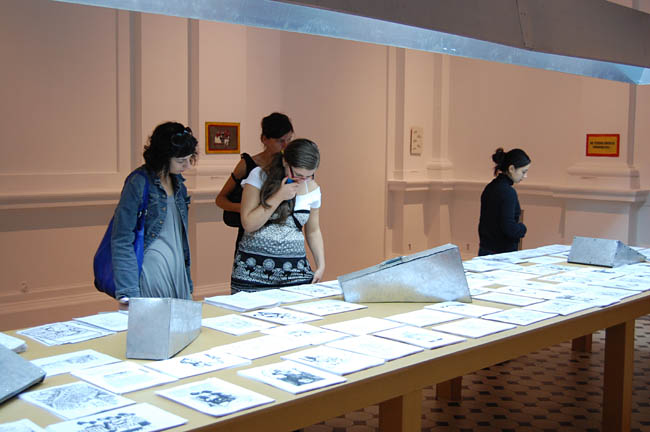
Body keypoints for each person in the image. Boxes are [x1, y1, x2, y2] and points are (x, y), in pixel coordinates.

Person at [111, 122, 198, 303]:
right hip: (152, 269)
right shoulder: (138, 183)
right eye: (181, 160)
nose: (187, 165)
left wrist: (187, 279)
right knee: (158, 319)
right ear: (164, 156)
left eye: (189, 158)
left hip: (177, 268)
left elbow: (179, 235)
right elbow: (122, 238)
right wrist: (128, 292)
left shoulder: (179, 184)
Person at [230, 138, 325, 293]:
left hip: (295, 273)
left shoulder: (312, 188)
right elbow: (248, 223)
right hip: (252, 272)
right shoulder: (259, 176)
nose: (302, 180)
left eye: (309, 176)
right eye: (298, 174)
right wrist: (279, 196)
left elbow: (313, 231)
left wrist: (321, 265)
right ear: (285, 162)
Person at [215, 112, 294, 253]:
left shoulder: (289, 165)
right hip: (250, 237)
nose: (285, 145)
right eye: (280, 141)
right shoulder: (248, 164)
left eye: (289, 139)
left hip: (281, 238)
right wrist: (246, 208)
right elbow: (220, 199)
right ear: (264, 139)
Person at [478, 147, 531, 256]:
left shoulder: (490, 187)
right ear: (511, 168)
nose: (525, 176)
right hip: (502, 253)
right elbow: (509, 227)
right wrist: (522, 228)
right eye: (523, 172)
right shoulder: (508, 192)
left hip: (485, 248)